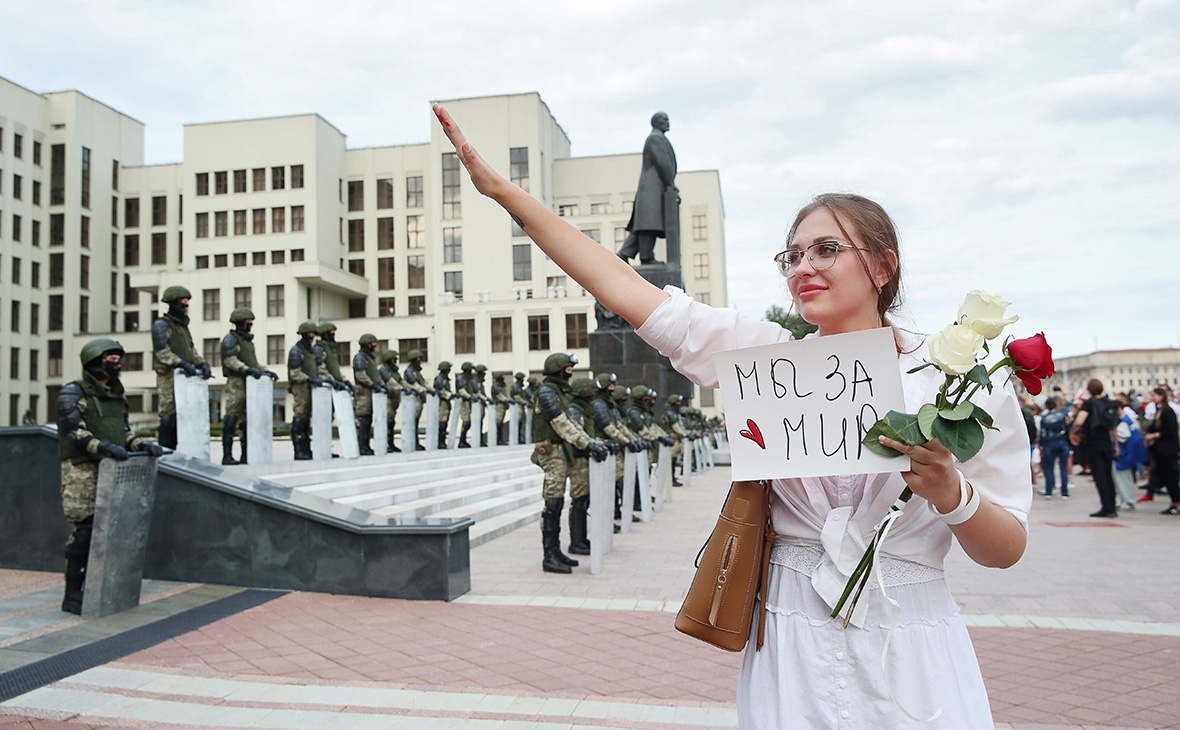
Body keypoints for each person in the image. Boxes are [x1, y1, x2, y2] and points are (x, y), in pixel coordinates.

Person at [434, 102, 1030, 728]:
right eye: (791, 256)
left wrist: (952, 493)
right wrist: (503, 193)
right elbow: (623, 287)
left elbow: (1005, 548)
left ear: (883, 266)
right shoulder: (762, 360)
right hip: (789, 640)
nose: (803, 268)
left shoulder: (955, 383)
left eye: (826, 250)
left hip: (911, 646)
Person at [57, 338, 165, 614]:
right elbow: (74, 432)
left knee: (112, 530)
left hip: (112, 471)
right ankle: (72, 595)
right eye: (112, 361)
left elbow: (124, 432)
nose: (118, 366)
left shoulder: (117, 396)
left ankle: (102, 587)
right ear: (95, 362)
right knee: (85, 531)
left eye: (119, 361)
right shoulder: (73, 392)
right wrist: (103, 447)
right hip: (83, 470)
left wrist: (141, 445)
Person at [532, 353, 607, 573]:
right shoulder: (547, 392)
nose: (570, 372)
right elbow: (561, 423)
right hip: (552, 453)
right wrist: (587, 445)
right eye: (567, 368)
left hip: (560, 453)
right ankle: (549, 555)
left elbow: (573, 425)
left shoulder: (559, 393)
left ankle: (555, 551)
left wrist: (590, 442)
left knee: (557, 503)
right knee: (552, 504)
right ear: (558, 369)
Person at [616, 112, 677, 265]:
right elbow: (663, 163)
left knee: (647, 224)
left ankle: (625, 254)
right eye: (665, 120)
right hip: (653, 188)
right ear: (656, 122)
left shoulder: (657, 138)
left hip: (655, 188)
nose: (668, 122)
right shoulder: (655, 139)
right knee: (649, 223)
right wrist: (670, 184)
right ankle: (645, 256)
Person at [152, 286, 210, 448]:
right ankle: (164, 452)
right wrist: (181, 363)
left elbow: (191, 350)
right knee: (168, 415)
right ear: (173, 304)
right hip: (168, 377)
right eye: (183, 303)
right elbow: (162, 352)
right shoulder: (162, 325)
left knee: (183, 416)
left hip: (184, 378)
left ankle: (179, 452)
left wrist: (202, 363)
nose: (186, 307)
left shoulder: (183, 328)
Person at [220, 308, 278, 465]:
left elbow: (253, 362)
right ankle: (227, 455)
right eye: (248, 323)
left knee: (247, 421)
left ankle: (246, 454)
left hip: (250, 384)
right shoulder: (230, 339)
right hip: (236, 383)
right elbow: (229, 360)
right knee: (232, 417)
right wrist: (246, 370)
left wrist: (265, 371)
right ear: (240, 323)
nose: (250, 326)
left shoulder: (247, 342)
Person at [1070, 380, 1120, 518]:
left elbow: (1080, 421)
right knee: (1108, 475)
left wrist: (1073, 432)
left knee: (1099, 476)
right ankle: (1113, 505)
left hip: (1093, 442)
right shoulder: (1107, 402)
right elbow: (1113, 426)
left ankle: (1106, 507)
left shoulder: (1089, 403)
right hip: (1106, 442)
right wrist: (1116, 444)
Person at [287, 321, 325, 460]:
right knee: (300, 417)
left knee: (307, 418)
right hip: (301, 387)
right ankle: (298, 449)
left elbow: (320, 369)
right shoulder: (297, 351)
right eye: (309, 334)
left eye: (313, 334)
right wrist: (309, 379)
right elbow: (294, 373)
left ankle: (306, 449)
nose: (311, 337)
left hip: (311, 388)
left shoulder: (311, 352)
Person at [1143, 386, 1180, 515]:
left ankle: (1177, 503)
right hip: (1160, 450)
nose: (1152, 397)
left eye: (1154, 395)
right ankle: (1173, 501)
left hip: (1168, 450)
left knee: (1171, 476)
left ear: (1161, 396)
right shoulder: (1160, 410)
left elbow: (1170, 431)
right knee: (1164, 475)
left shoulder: (1168, 411)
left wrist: (1154, 435)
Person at [352, 333, 389, 456]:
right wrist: (372, 384)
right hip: (364, 393)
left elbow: (376, 375)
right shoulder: (360, 358)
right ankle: (361, 446)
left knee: (368, 420)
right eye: (372, 344)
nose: (374, 346)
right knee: (363, 420)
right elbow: (360, 375)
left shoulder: (370, 359)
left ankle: (366, 445)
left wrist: (382, 385)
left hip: (371, 392)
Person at [1112, 392, 1148, 510]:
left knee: (1122, 479)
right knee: (1125, 479)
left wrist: (1114, 435)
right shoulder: (1128, 419)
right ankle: (1126, 500)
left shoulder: (1122, 422)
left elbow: (1123, 436)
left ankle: (1127, 500)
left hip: (1124, 454)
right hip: (1129, 453)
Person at [1038, 396, 1071, 499]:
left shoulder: (1045, 418)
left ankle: (1049, 491)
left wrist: (1042, 446)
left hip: (1049, 443)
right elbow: (1067, 429)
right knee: (1063, 467)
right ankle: (1064, 492)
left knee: (1049, 468)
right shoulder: (1062, 416)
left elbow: (1043, 433)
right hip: (1062, 442)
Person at [402, 350, 429, 451]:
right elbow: (414, 384)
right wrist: (424, 390)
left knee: (416, 422)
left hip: (419, 399)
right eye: (418, 359)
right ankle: (413, 442)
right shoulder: (410, 371)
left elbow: (423, 383)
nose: (420, 361)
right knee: (413, 421)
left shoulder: (417, 372)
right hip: (414, 400)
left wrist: (430, 390)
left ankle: (415, 442)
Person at [378, 349, 403, 453]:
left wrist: (409, 388)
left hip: (394, 399)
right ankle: (385, 444)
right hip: (387, 399)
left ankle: (391, 444)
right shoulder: (384, 369)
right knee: (387, 422)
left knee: (392, 422)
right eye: (394, 358)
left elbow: (401, 381)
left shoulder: (394, 371)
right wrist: (401, 388)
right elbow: (391, 382)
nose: (396, 360)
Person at [455, 362, 476, 448]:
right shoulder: (461, 378)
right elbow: (461, 390)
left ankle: (463, 440)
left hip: (469, 402)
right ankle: (461, 441)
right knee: (466, 421)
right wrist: (470, 397)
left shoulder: (469, 379)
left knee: (468, 422)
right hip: (464, 402)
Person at [434, 361, 455, 449]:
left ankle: (442, 441)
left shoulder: (445, 379)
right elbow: (440, 391)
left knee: (444, 423)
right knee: (441, 423)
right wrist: (449, 395)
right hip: (441, 403)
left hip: (446, 403)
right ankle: (440, 442)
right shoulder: (440, 378)